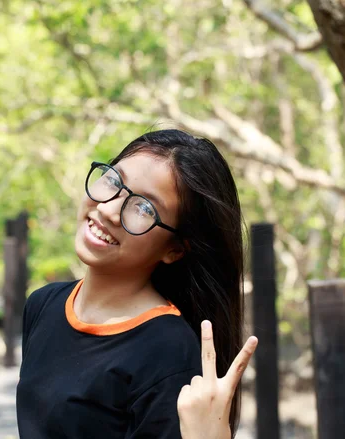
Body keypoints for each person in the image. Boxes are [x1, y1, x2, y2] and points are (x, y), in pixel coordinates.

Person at [17, 129, 253, 438]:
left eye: (143, 208)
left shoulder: (168, 353)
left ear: (175, 249)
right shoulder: (43, 304)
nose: (109, 209)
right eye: (114, 181)